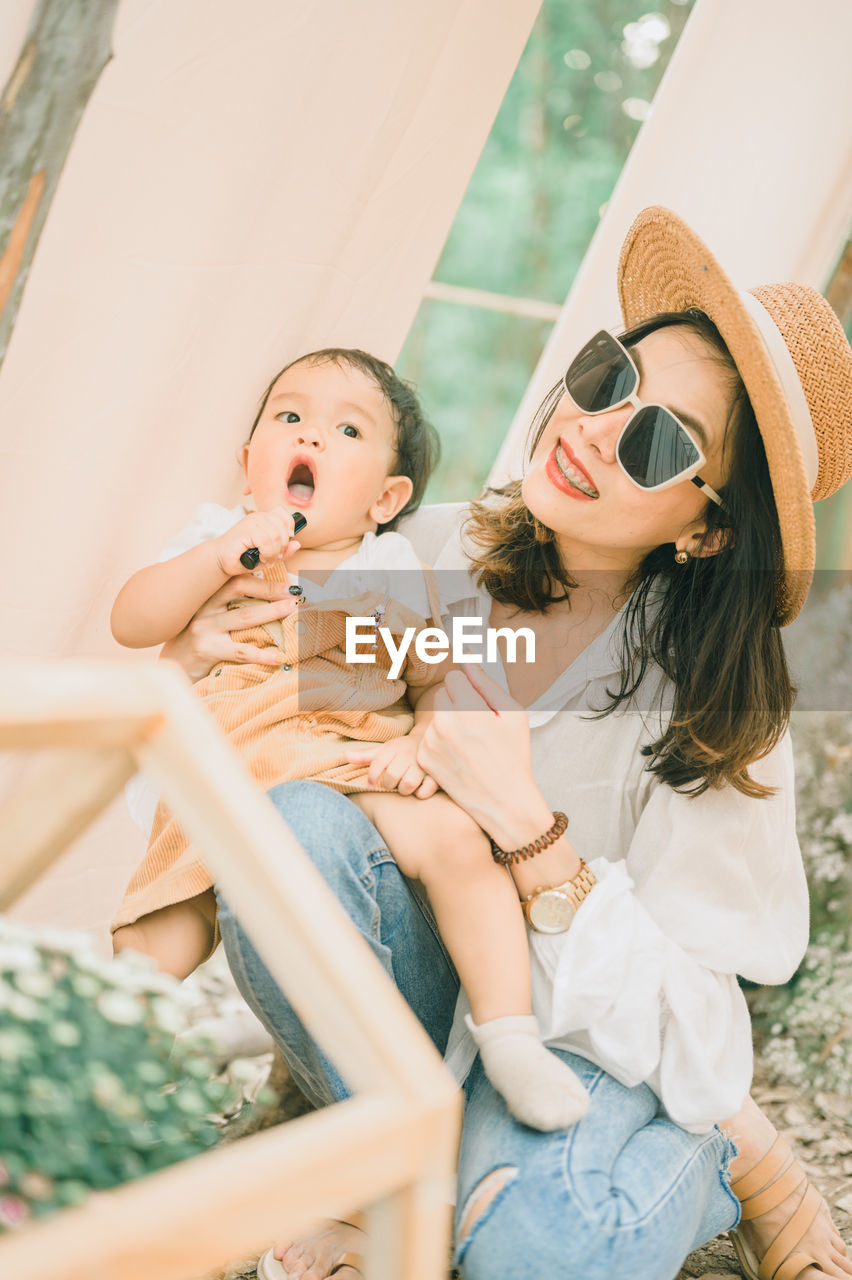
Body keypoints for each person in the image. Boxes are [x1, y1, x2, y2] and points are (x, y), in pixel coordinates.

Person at [156, 208, 852, 1280]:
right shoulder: (427, 552)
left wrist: (529, 830)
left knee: (538, 1245)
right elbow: (288, 757)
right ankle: (405, 1171)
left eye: (661, 439)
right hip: (438, 1020)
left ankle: (722, 1157)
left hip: (594, 1055)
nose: (592, 427)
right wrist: (215, 634)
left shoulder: (723, 710)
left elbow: (706, 1034)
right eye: (608, 376)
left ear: (705, 526)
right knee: (291, 821)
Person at [110, 346, 590, 1132]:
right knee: (155, 926)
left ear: (385, 498)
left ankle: (509, 1037)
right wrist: (214, 561)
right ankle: (109, 1059)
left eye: (347, 430)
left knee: (456, 843)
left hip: (351, 758)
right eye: (289, 418)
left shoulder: (388, 564)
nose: (312, 437)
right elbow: (133, 620)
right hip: (231, 765)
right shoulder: (214, 540)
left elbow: (439, 676)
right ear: (248, 464)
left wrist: (422, 741)